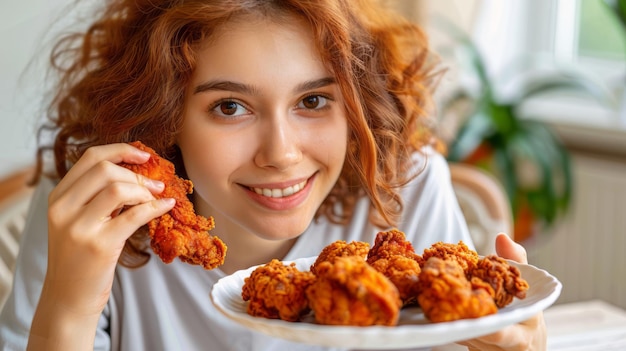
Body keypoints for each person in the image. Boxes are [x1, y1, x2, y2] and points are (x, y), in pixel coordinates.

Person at [0, 0, 545, 350]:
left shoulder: (407, 190)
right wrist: (67, 310)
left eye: (312, 100)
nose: (281, 154)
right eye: (230, 108)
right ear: (163, 118)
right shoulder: (95, 211)